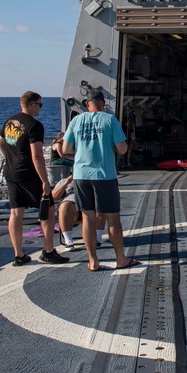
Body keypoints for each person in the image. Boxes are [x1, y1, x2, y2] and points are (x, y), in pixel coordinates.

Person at [63, 90, 137, 271]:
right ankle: (120, 259)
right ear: (103, 103)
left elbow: (65, 148)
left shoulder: (76, 121)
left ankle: (93, 261)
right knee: (112, 218)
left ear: (87, 104)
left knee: (87, 218)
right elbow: (121, 149)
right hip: (104, 175)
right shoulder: (110, 120)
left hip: (81, 175)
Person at [0, 91, 68, 267]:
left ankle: (19, 255)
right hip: (29, 173)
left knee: (15, 213)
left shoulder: (10, 121)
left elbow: (0, 142)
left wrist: (9, 159)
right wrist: (45, 181)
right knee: (48, 210)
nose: (40, 109)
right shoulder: (34, 125)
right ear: (32, 105)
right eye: (40, 105)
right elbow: (37, 156)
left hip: (11, 172)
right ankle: (48, 251)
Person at [50, 174, 83, 249]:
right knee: (65, 206)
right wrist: (67, 182)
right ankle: (68, 240)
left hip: (88, 207)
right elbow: (54, 197)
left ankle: (97, 238)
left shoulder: (92, 179)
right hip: (71, 208)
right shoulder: (64, 181)